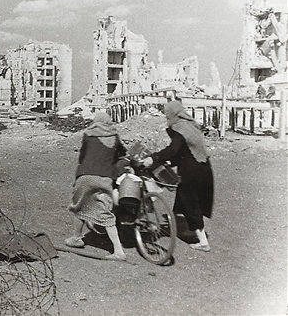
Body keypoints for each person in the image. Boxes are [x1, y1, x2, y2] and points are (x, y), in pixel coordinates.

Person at [142, 100, 214, 252]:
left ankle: (203, 242)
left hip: (191, 172)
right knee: (184, 201)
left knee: (190, 203)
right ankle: (181, 228)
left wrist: (154, 158)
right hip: (203, 168)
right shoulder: (191, 125)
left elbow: (173, 150)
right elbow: (184, 151)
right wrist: (168, 160)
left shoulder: (180, 128)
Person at [65, 111, 128, 261]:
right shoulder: (114, 135)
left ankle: (76, 237)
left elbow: (83, 156)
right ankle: (118, 250)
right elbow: (122, 153)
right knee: (105, 211)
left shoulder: (88, 133)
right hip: (105, 178)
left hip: (86, 176)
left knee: (79, 205)